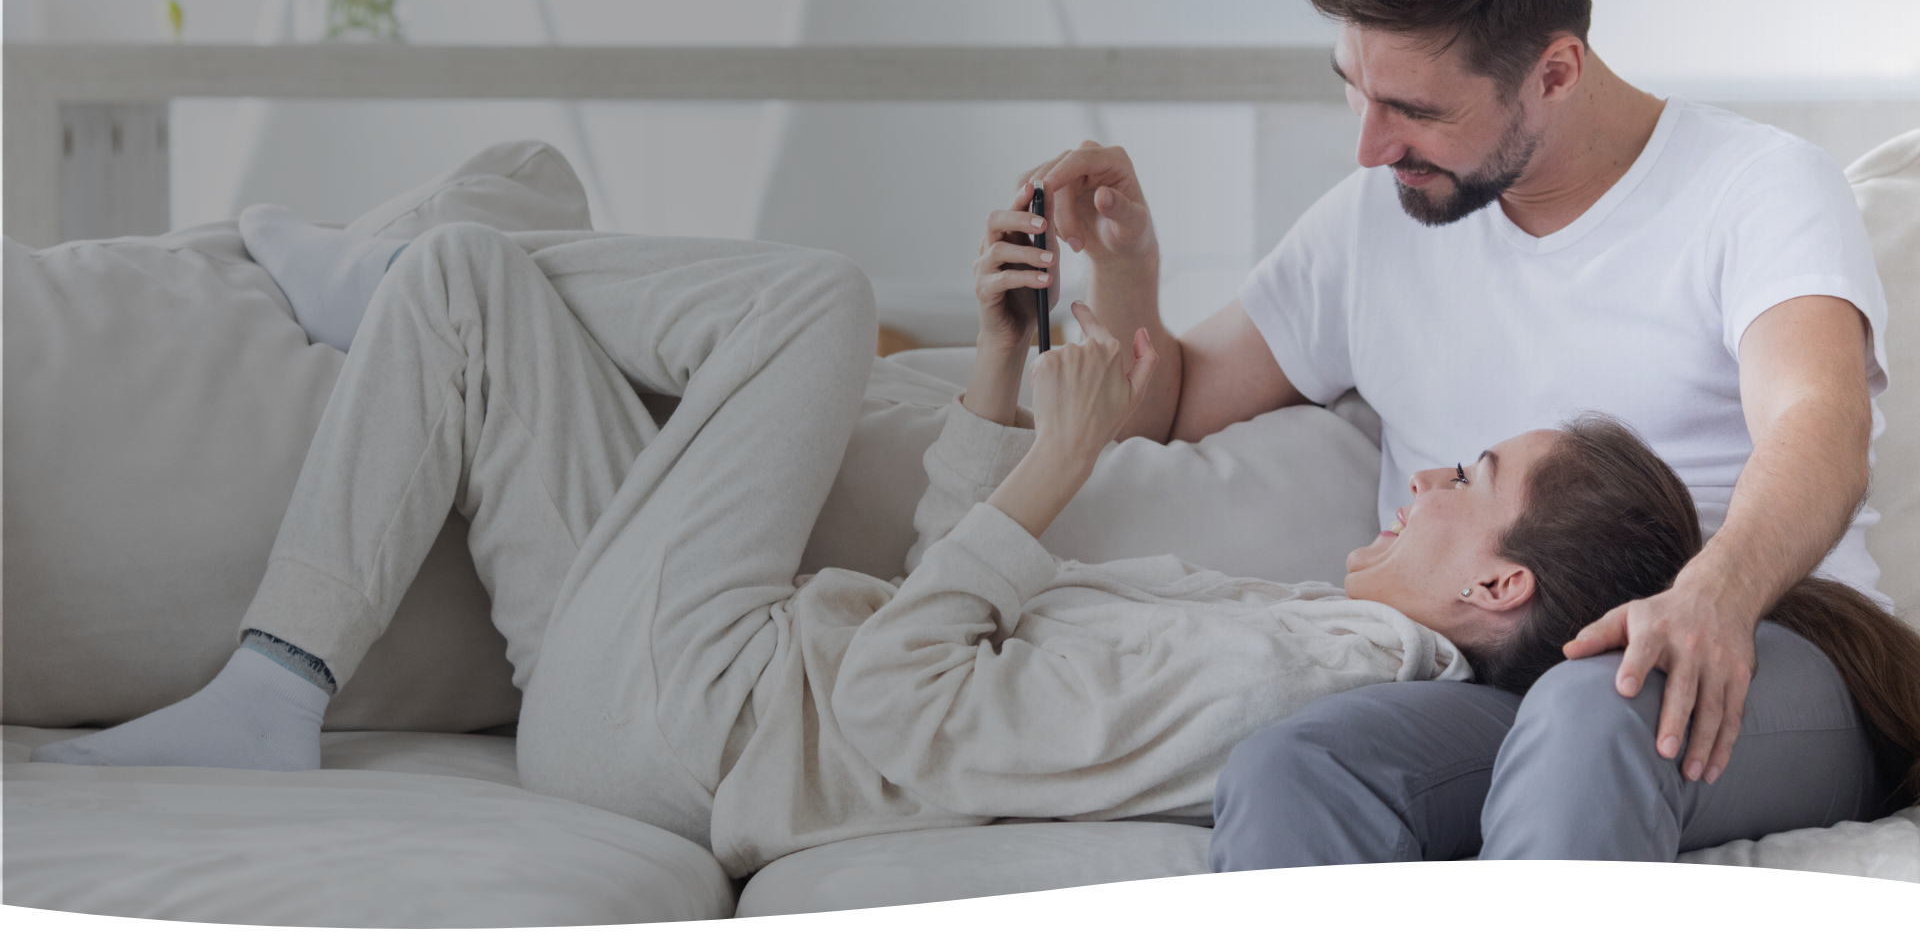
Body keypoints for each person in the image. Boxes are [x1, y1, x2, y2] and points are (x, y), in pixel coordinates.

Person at [37, 202, 1912, 880]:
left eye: (1463, 481)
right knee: (467, 289)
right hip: (684, 687)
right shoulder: (1302, 624)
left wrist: (1041, 478)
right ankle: (280, 673)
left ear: (1498, 588)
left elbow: (919, 712)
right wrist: (1006, 388)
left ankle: (447, 253)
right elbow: (953, 636)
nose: (1419, 477)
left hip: (706, 720)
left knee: (804, 296)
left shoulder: (1299, 669)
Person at [1029, 0, 1894, 864]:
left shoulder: (1752, 187)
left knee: (1589, 713)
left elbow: (1820, 421)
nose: (1368, 142)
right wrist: (1129, 267)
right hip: (1494, 678)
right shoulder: (1374, 218)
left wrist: (1712, 592)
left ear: (1556, 71)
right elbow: (1169, 405)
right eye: (1352, 83)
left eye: (1412, 108)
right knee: (1297, 764)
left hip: (1749, 650)